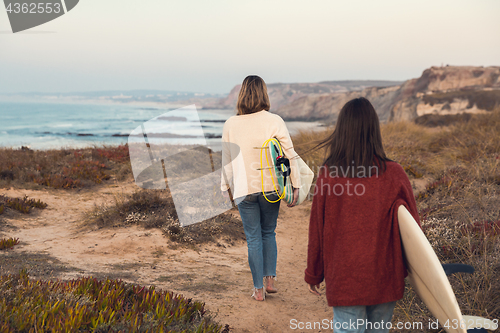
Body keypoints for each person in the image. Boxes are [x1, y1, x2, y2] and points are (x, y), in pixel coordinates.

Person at [304, 97, 420, 332]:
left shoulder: (329, 173)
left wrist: (314, 273)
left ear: (342, 130)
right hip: (385, 276)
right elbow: (415, 230)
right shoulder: (395, 173)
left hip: (345, 279)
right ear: (374, 130)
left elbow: (318, 227)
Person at [221, 75, 301, 301]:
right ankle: (270, 279)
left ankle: (258, 290)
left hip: (243, 190)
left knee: (253, 238)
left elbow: (227, 160)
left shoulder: (231, 124)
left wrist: (225, 188)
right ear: (264, 94)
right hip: (270, 189)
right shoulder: (274, 120)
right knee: (268, 232)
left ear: (242, 95)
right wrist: (295, 185)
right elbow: (289, 155)